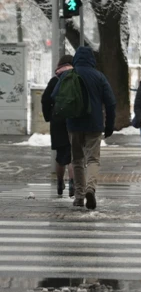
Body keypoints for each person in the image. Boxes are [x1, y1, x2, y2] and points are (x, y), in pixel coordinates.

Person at [67, 46, 116, 210]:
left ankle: (79, 196)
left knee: (77, 160)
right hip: (94, 124)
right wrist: (109, 125)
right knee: (93, 159)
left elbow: (55, 97)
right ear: (92, 60)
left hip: (74, 124)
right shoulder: (99, 76)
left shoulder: (69, 75)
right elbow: (111, 103)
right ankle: (90, 188)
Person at [42, 54, 75, 198]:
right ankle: (73, 182)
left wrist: (48, 116)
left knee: (61, 155)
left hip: (57, 120)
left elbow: (45, 99)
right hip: (73, 119)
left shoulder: (55, 80)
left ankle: (60, 182)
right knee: (73, 154)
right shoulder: (76, 79)